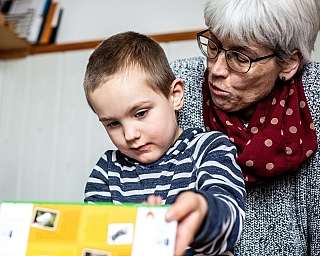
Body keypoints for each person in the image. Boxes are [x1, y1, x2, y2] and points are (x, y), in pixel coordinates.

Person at [170, 0, 320, 255]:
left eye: (240, 57)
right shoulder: (177, 90)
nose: (215, 69)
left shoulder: (315, 99)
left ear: (288, 63)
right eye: (214, 45)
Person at [83, 31, 245, 255]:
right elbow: (93, 241)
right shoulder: (106, 171)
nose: (129, 135)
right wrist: (133, 232)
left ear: (175, 96)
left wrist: (201, 209)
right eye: (112, 124)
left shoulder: (209, 148)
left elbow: (230, 222)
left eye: (140, 113)